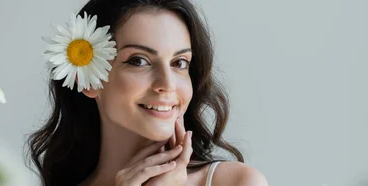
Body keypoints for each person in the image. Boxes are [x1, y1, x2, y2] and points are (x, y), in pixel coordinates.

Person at [27, 0, 269, 185]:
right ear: (87, 80)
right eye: (139, 61)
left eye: (179, 63)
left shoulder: (236, 182)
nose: (167, 83)